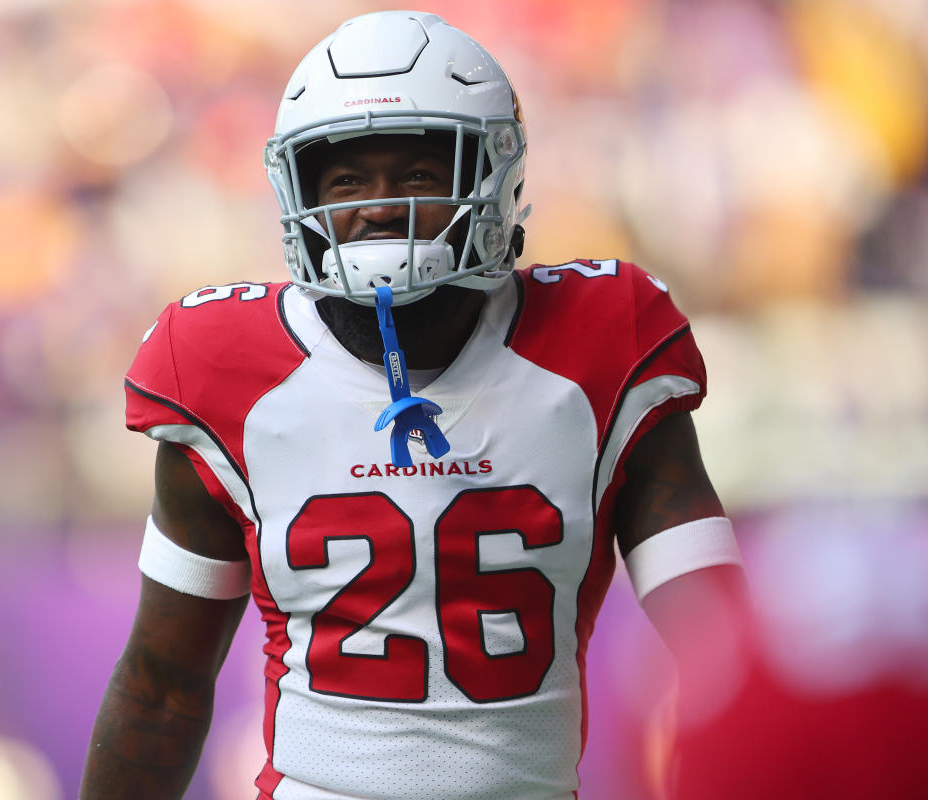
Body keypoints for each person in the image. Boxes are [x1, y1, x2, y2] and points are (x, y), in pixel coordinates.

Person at [81, 11, 749, 800]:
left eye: (420, 175)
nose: (376, 206)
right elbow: (162, 685)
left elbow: (724, 652)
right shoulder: (222, 362)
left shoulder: (604, 341)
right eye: (346, 179)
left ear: (494, 179)